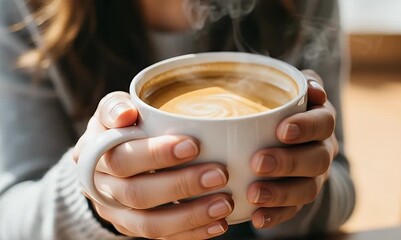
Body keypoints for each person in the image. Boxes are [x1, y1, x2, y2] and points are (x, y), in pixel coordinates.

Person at [0, 0, 355, 239]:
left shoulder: (299, 6)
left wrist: (301, 191)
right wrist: (94, 203)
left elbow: (343, 189)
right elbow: (10, 221)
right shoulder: (24, 11)